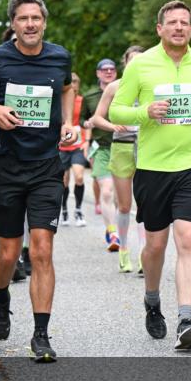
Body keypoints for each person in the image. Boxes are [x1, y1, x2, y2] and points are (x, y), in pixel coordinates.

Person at [0, 0, 76, 363]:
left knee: (42, 249)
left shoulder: (59, 56)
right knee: (9, 253)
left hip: (47, 167)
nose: (30, 24)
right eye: (23, 19)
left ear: (44, 22)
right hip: (8, 165)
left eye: (36, 18)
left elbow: (67, 87)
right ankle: (1, 295)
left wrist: (68, 122)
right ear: (13, 24)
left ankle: (41, 335)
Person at [110, 0, 191, 350]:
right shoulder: (141, 65)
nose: (178, 27)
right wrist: (145, 111)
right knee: (155, 246)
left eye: (184, 22)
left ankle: (185, 320)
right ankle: (152, 299)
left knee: (188, 240)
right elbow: (116, 110)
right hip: (152, 169)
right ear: (159, 28)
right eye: (172, 22)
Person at [89, 45, 147, 273]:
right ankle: (123, 249)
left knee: (145, 205)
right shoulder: (115, 87)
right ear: (126, 63)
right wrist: (113, 126)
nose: (137, 64)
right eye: (132, 60)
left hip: (147, 148)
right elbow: (97, 118)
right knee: (124, 205)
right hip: (122, 147)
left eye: (141, 61)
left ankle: (143, 254)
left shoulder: (152, 85)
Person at [82, 58, 122, 250]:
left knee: (121, 197)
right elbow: (82, 119)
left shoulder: (125, 91)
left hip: (124, 146)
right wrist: (86, 124)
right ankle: (113, 233)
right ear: (98, 73)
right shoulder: (90, 96)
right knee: (106, 191)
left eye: (111, 69)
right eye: (104, 69)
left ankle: (119, 227)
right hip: (101, 148)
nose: (108, 72)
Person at [58, 73, 87, 225]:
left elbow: (86, 121)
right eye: (71, 82)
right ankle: (64, 210)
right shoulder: (59, 101)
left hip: (78, 145)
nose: (73, 85)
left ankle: (78, 210)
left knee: (79, 176)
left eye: (76, 82)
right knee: (64, 180)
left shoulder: (82, 101)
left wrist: (86, 141)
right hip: (63, 145)